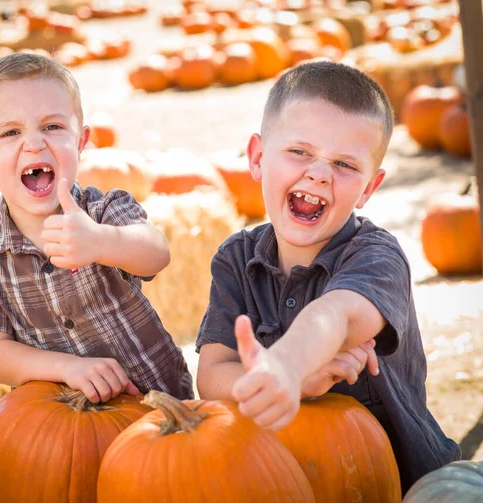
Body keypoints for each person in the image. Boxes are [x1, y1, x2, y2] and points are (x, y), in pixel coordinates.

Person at [195, 60, 460, 493]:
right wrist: (291, 381)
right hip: (276, 480)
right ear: (258, 158)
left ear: (368, 189)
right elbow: (211, 376)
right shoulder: (234, 260)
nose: (318, 173)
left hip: (398, 483)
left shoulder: (376, 256)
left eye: (344, 164)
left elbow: (336, 314)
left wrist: (288, 363)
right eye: (300, 152)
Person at [0, 53, 193, 403]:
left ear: (80, 141)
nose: (33, 143)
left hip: (155, 402)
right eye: (10, 132)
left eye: (52, 127)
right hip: (61, 419)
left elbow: (156, 253)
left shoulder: (104, 209)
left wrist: (102, 241)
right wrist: (68, 368)